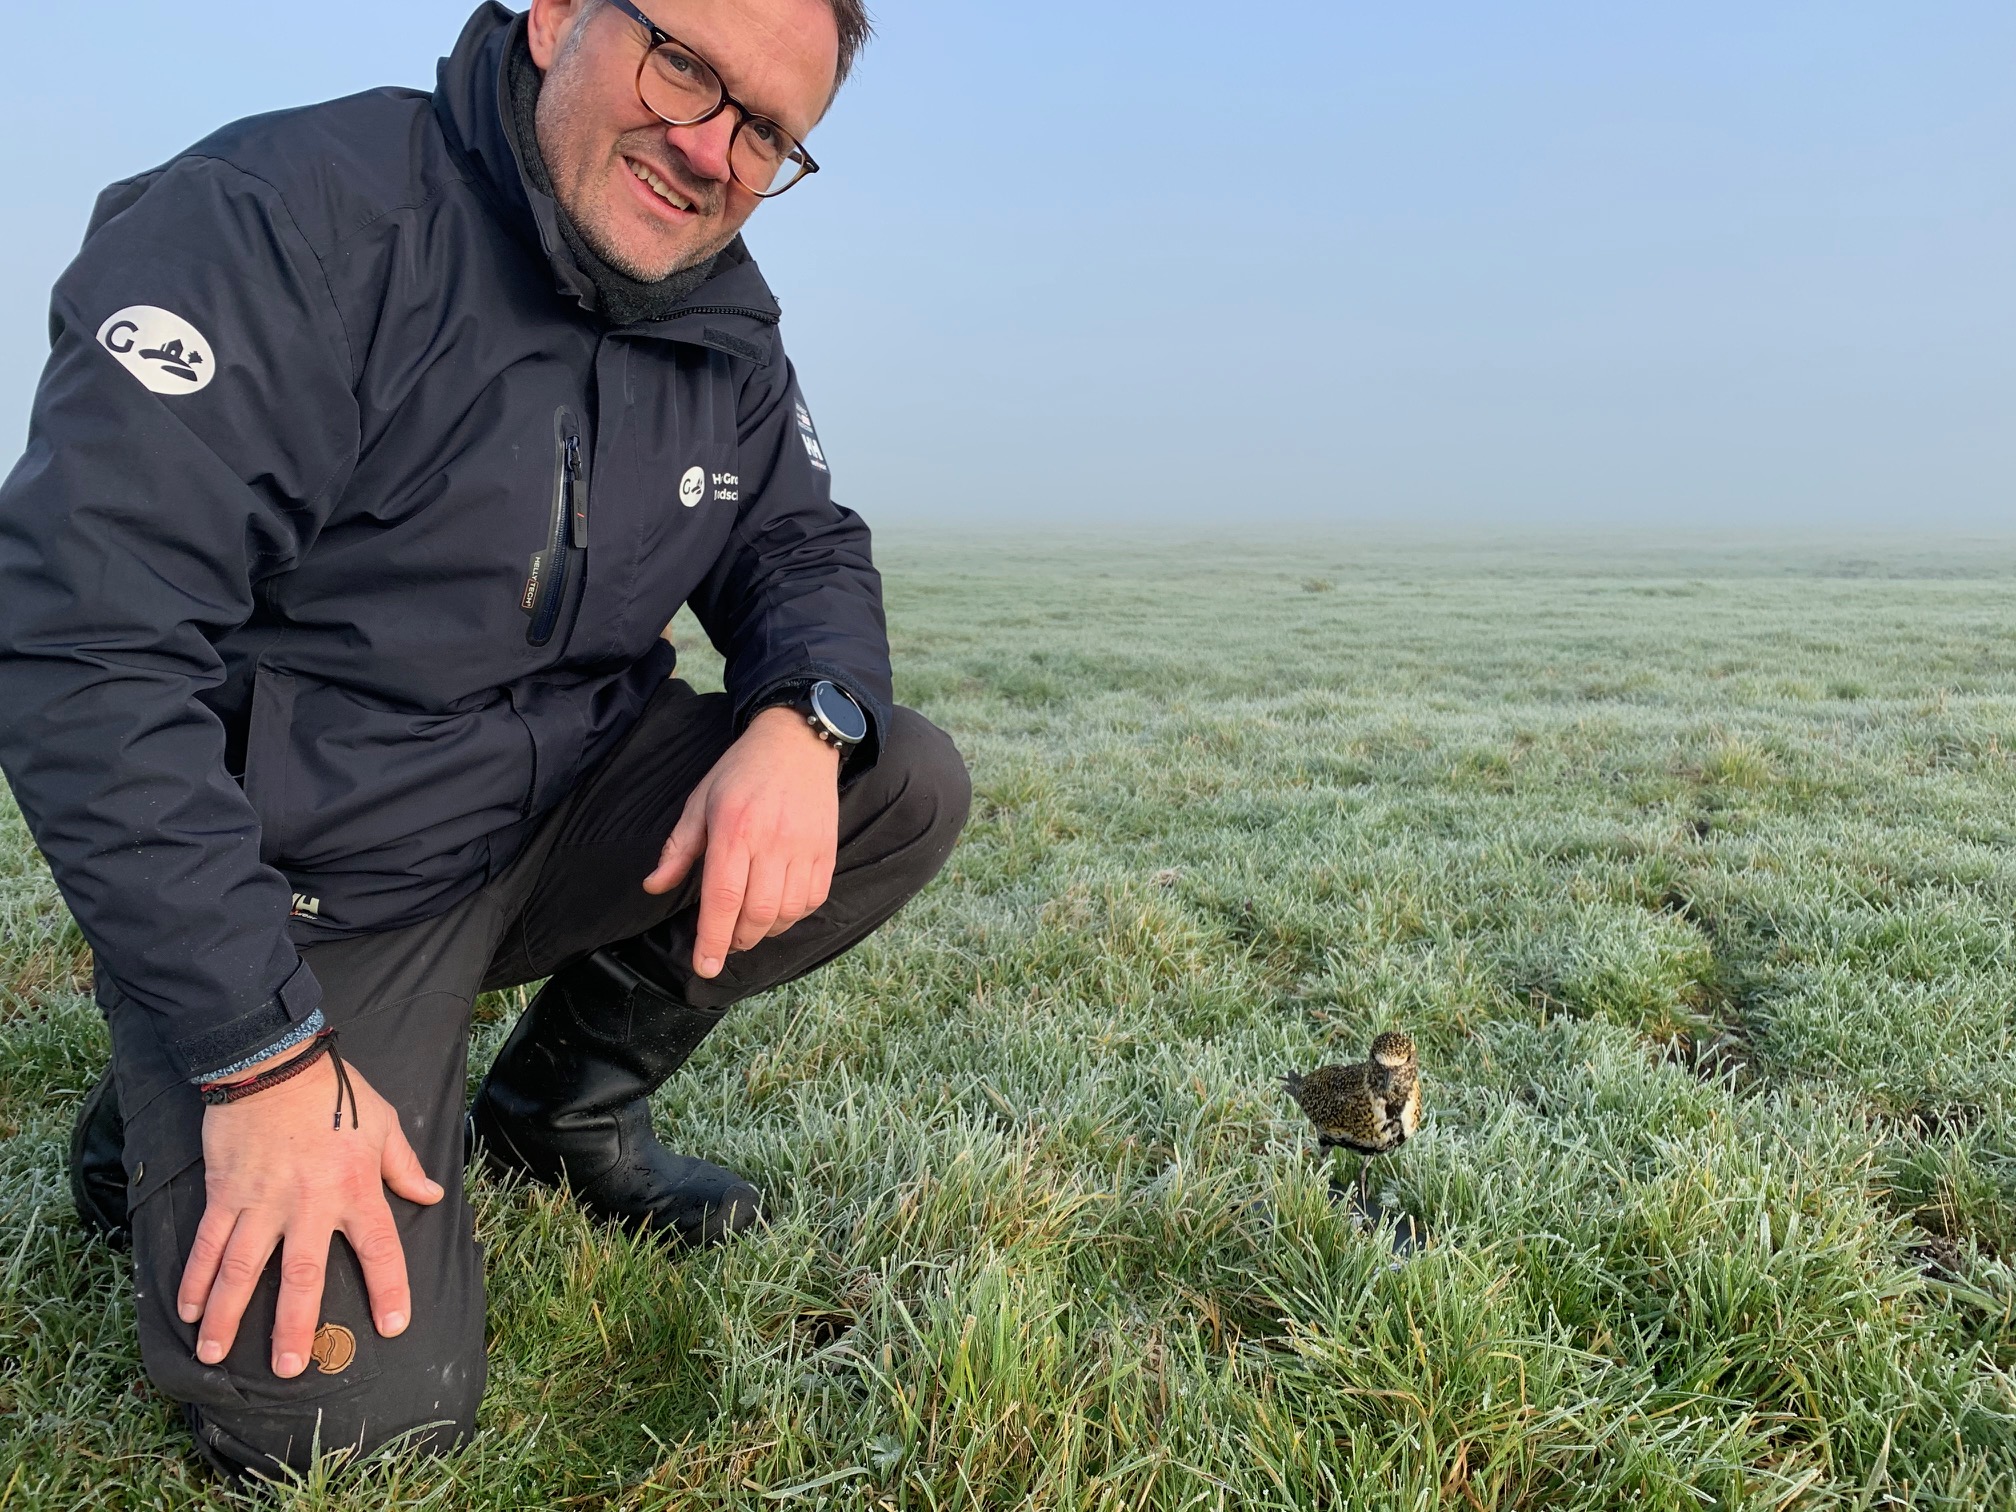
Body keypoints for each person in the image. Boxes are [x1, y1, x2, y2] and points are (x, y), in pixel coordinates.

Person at [0, 0, 969, 1481]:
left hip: (547, 811)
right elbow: (85, 648)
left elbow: (800, 543)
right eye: (685, 67)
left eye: (768, 133)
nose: (711, 151)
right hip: (319, 879)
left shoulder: (714, 308)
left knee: (890, 781)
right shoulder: (285, 222)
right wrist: (255, 1057)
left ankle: (553, 1113)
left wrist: (804, 713)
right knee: (354, 1427)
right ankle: (180, 1099)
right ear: (560, 15)